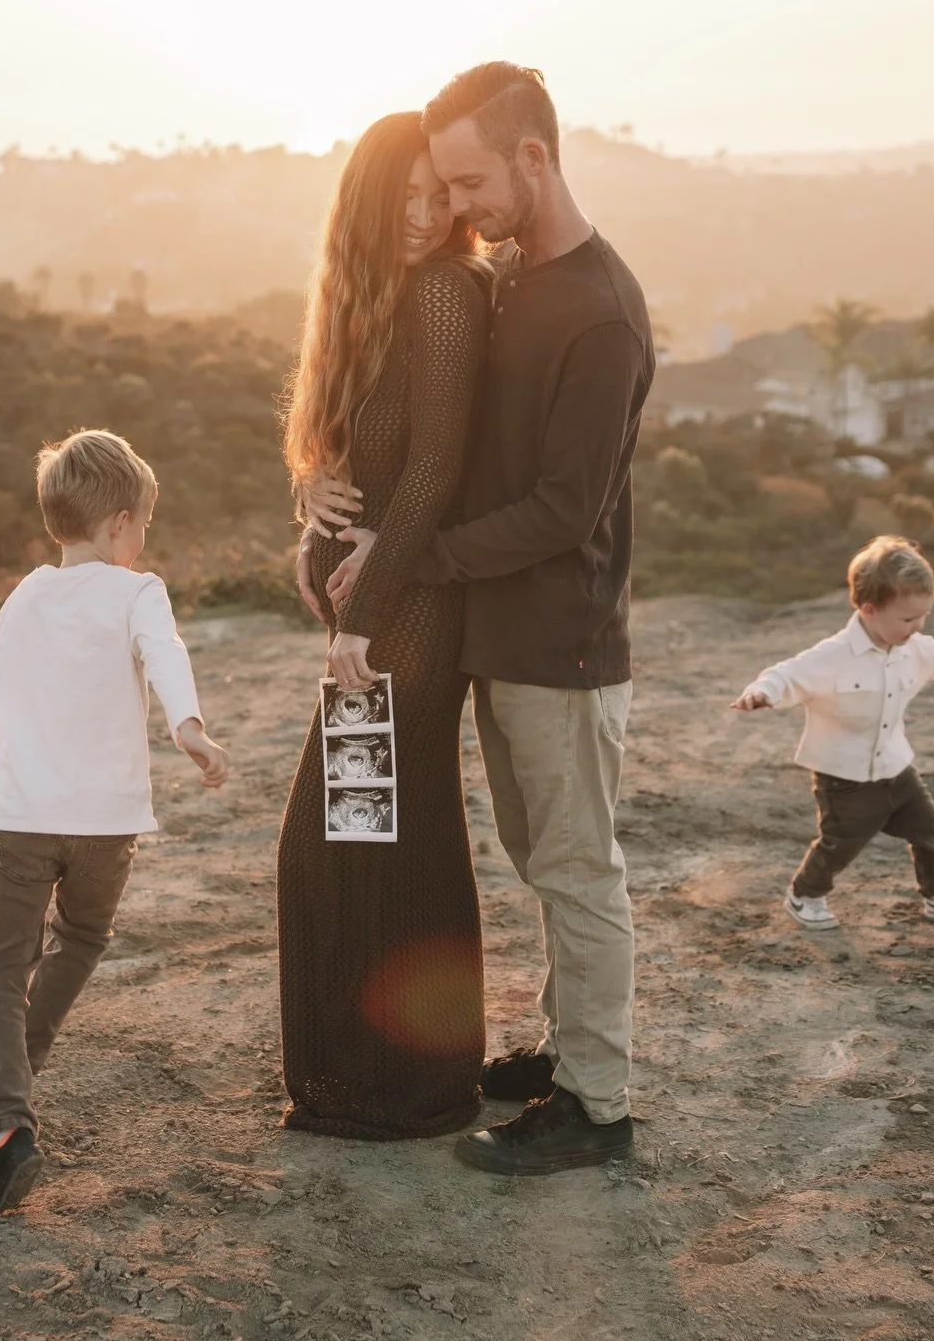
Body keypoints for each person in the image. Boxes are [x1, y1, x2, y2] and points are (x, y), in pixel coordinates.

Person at [324, 64, 656, 1176]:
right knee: (541, 857)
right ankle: (568, 1052)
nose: (457, 207)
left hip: (564, 641)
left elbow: (567, 510)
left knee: (579, 870)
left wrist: (416, 562)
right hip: (502, 636)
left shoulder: (600, 313)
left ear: (534, 158)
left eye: (469, 183)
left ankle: (597, 1108)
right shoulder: (514, 276)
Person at [278, 112, 492, 1139]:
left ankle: (401, 1087)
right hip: (378, 614)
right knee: (368, 835)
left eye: (439, 196)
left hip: (408, 621)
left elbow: (436, 469)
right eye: (404, 197)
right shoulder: (368, 301)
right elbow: (362, 458)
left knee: (352, 840)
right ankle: (367, 1081)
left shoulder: (446, 290)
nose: (426, 215)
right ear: (365, 202)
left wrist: (360, 620)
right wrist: (312, 506)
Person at [0, 428, 229, 1217]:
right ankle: (20, 1074)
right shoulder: (137, 592)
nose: (143, 537)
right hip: (106, 822)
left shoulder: (23, 596)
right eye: (144, 522)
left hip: (23, 813)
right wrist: (187, 726)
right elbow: (166, 654)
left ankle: (8, 1123)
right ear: (119, 523)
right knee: (80, 938)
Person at [730, 534, 934, 931]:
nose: (917, 627)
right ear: (868, 609)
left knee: (931, 829)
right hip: (844, 778)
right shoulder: (833, 655)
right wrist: (762, 692)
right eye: (907, 619)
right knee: (842, 843)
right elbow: (787, 674)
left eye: (923, 616)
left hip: (896, 767)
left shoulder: (914, 648)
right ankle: (805, 895)